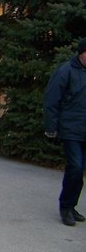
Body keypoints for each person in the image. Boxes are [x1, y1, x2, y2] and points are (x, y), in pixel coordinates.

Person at [43, 38, 86, 226]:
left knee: (79, 169)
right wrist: (51, 127)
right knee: (75, 167)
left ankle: (71, 204)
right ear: (81, 53)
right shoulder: (66, 70)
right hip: (70, 129)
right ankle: (65, 207)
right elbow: (51, 99)